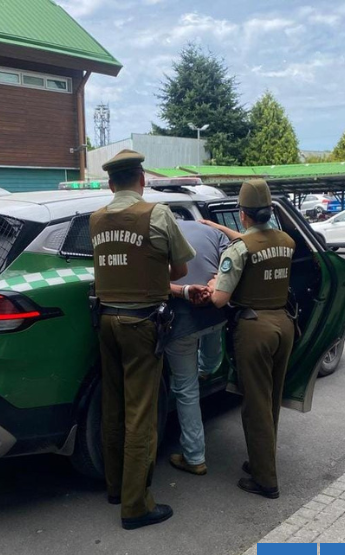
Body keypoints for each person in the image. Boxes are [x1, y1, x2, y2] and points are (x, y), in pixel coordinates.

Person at [90, 149, 196, 530]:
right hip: (142, 322)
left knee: (113, 405)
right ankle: (136, 506)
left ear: (109, 183)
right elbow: (181, 268)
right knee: (141, 413)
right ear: (142, 179)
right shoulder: (157, 214)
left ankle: (116, 486)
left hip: (104, 320)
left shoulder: (96, 219)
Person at [207, 179, 295, 499]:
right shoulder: (286, 240)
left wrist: (216, 281)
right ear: (267, 212)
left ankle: (265, 480)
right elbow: (255, 243)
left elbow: (219, 299)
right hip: (284, 325)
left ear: (242, 215)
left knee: (254, 404)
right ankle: (263, 459)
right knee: (270, 401)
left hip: (254, 328)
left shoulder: (239, 250)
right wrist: (220, 229)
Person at [165, 218, 229, 476]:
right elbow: (235, 262)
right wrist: (214, 284)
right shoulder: (212, 232)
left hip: (181, 325)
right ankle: (207, 368)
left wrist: (184, 290)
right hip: (215, 315)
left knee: (186, 391)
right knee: (212, 350)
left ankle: (194, 457)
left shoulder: (159, 233)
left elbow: (148, 281)